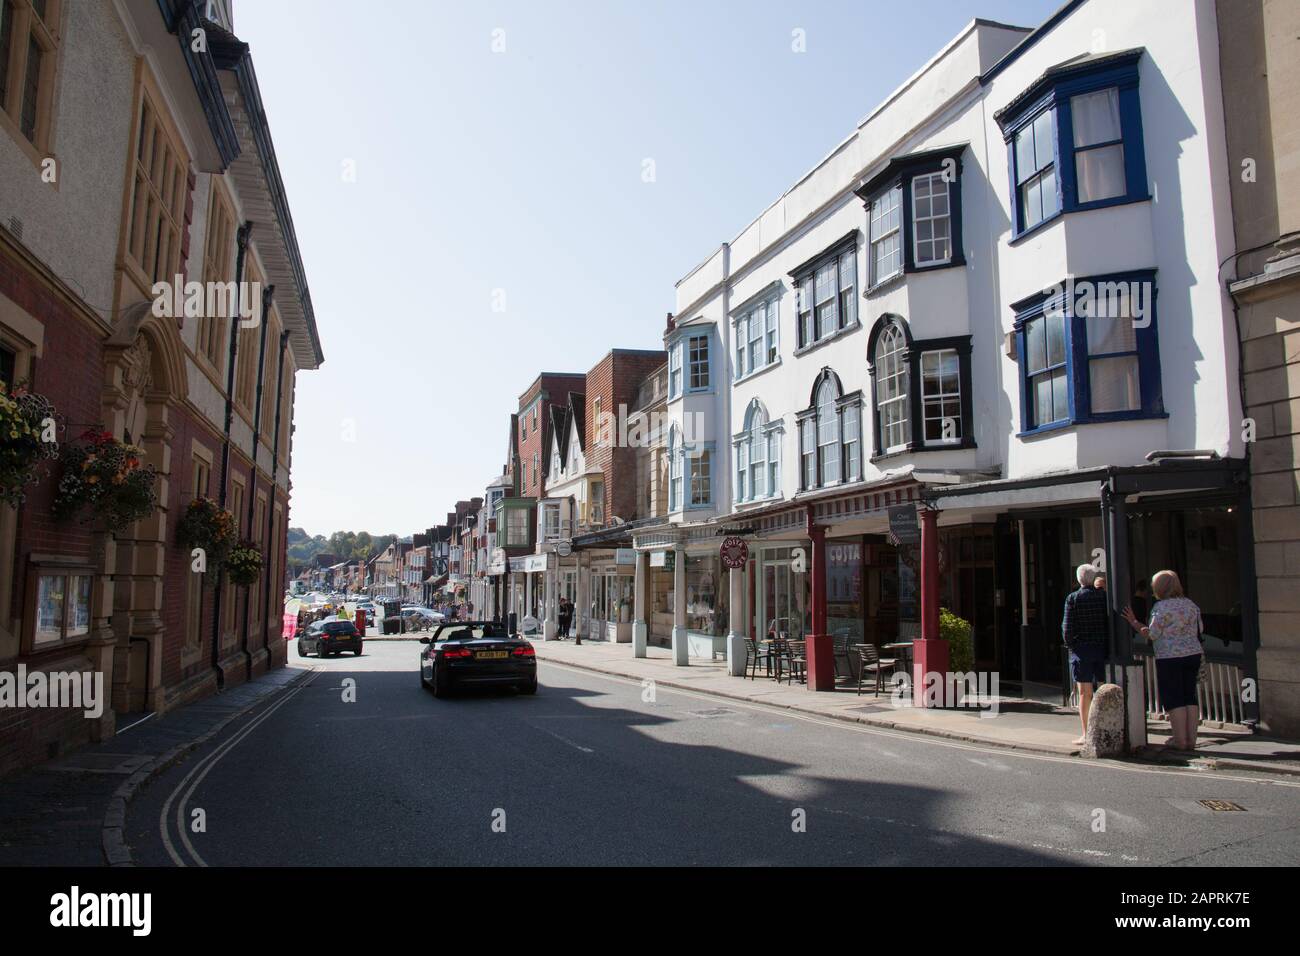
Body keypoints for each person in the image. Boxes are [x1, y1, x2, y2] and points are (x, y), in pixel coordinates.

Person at [1123, 570, 1204, 752]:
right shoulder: (1191, 605)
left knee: (1174, 697)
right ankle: (1191, 740)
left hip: (1169, 656)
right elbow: (1200, 628)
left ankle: (1180, 740)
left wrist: (1134, 622)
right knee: (1189, 695)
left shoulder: (1161, 608)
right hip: (1193, 654)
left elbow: (1151, 634)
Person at [1062, 564, 1109, 746]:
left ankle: (1087, 733)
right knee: (1103, 690)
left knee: (1085, 693)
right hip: (1101, 648)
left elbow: (1067, 628)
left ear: (1079, 579)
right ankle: (1104, 729)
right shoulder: (1103, 597)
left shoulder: (1073, 598)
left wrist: (1071, 645)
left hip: (1082, 650)